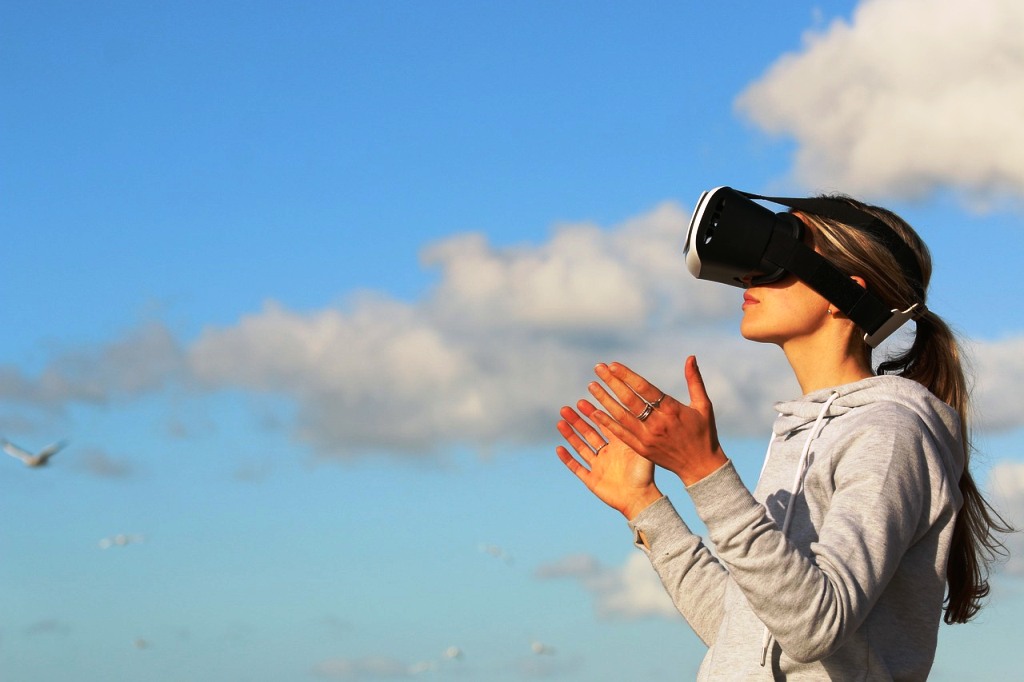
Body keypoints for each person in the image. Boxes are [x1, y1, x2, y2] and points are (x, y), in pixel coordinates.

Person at [555, 193, 1010, 680]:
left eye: (777, 253)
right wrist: (644, 506)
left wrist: (703, 470)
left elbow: (816, 627)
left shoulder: (890, 432)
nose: (748, 275)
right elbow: (745, 634)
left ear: (841, 293)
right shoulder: (801, 433)